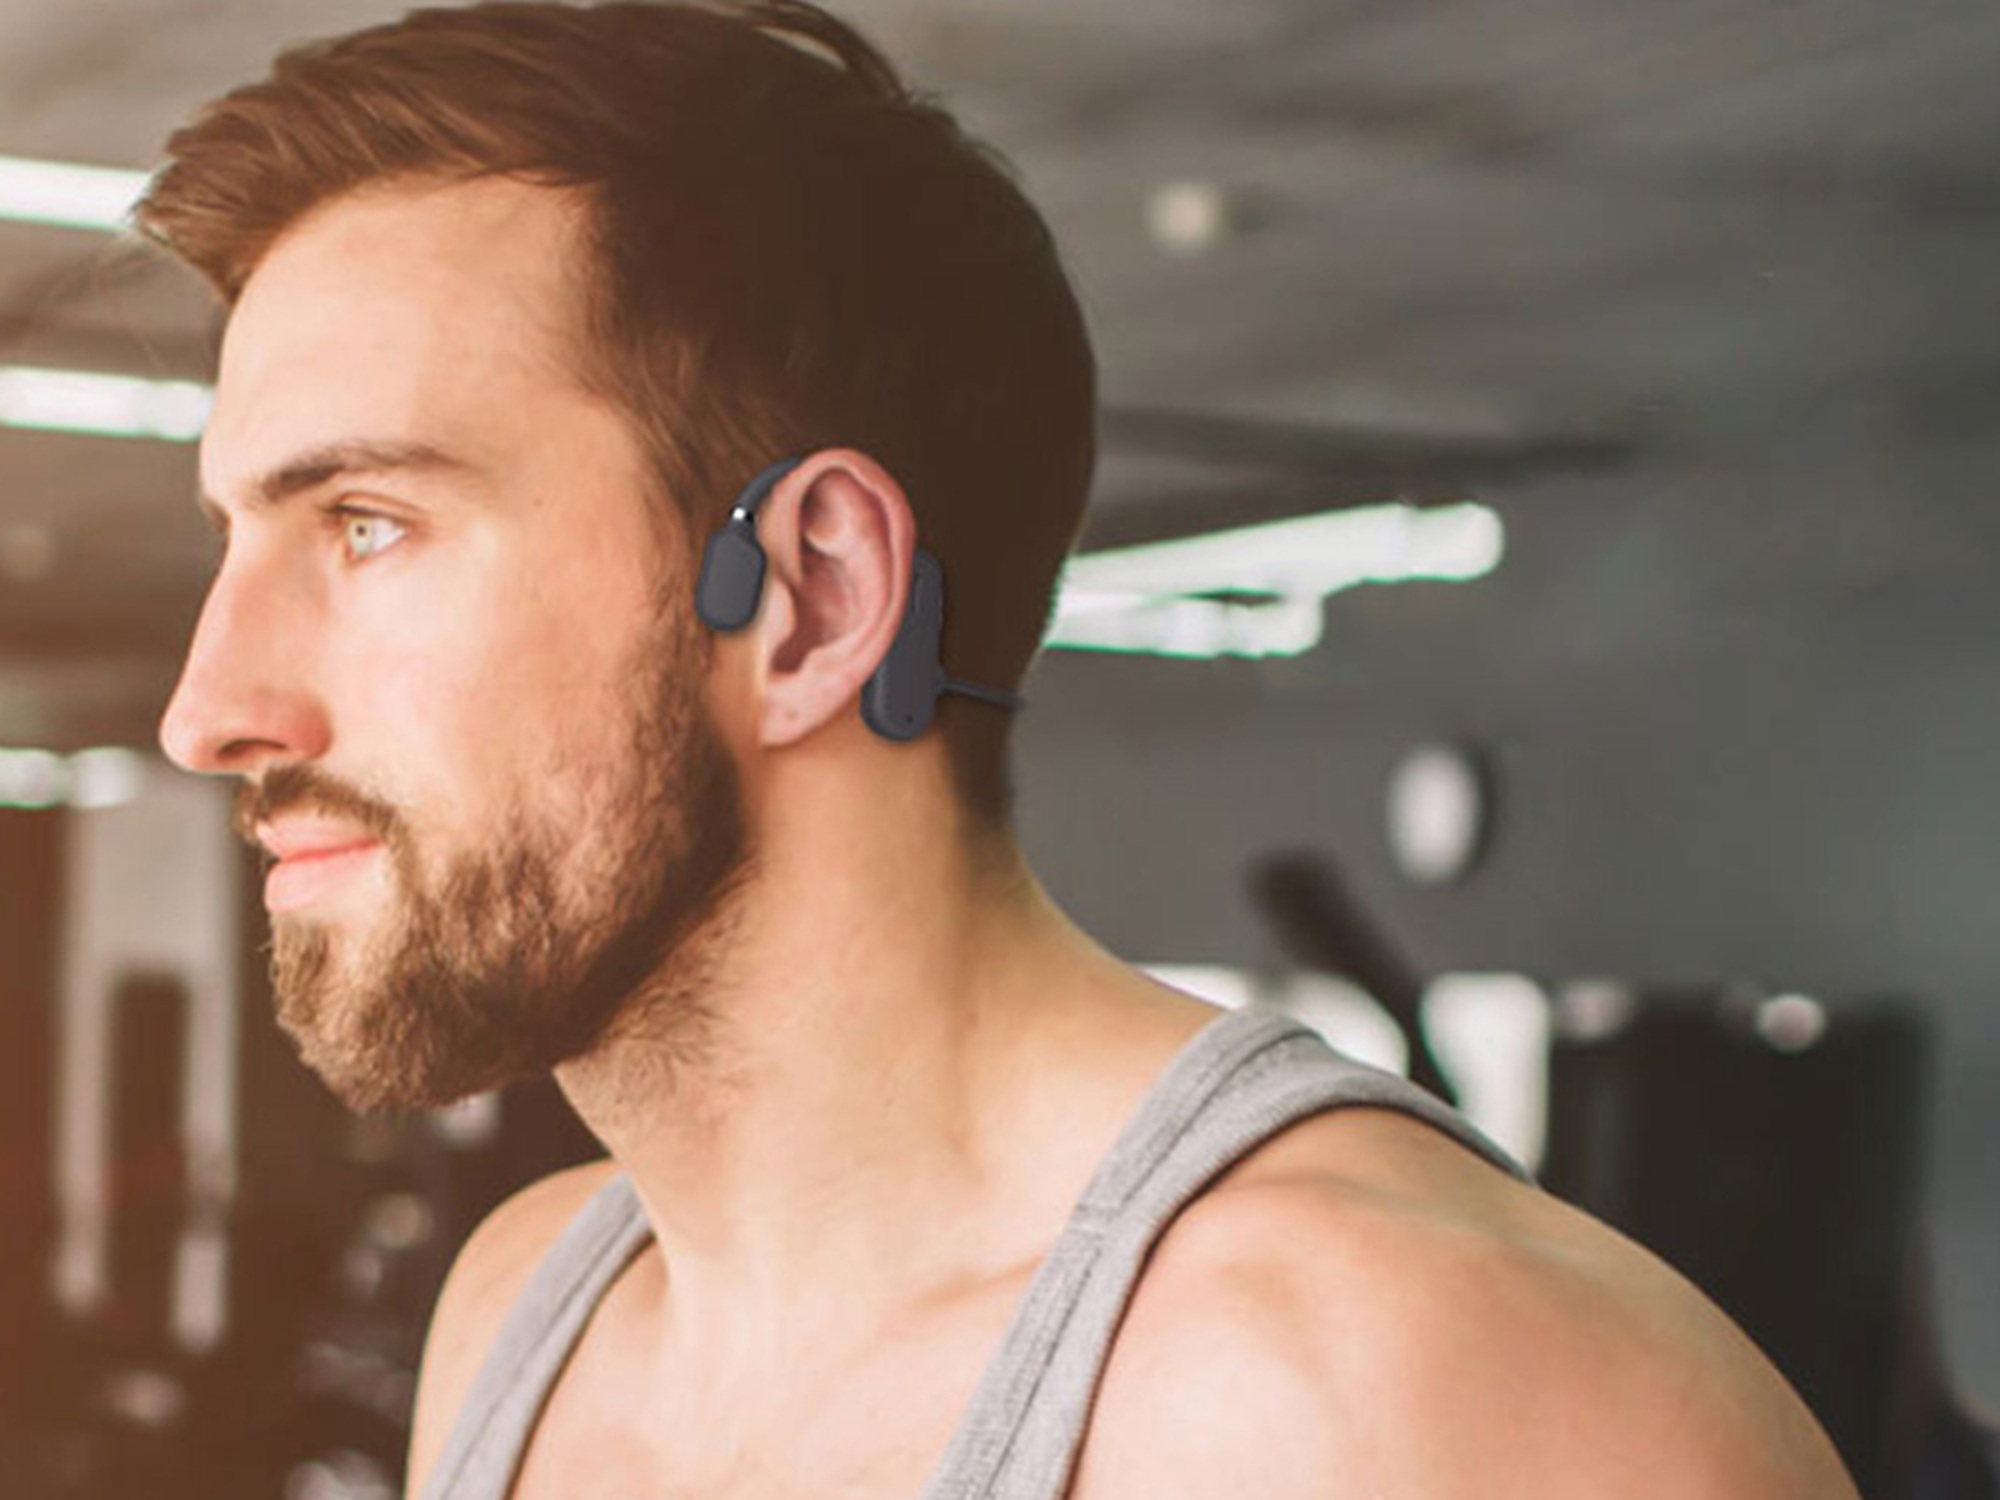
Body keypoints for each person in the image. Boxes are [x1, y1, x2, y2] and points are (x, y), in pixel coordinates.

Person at [140, 3, 1861, 1496]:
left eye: (365, 525)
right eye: (235, 538)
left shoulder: (1396, 1396)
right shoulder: (530, 1312)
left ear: (812, 599)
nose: (207, 708)